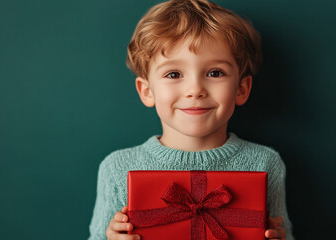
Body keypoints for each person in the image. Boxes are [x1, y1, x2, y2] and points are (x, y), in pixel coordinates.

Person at [88, 0, 294, 239]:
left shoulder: (266, 163)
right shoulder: (117, 169)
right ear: (147, 91)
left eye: (215, 73)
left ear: (241, 89)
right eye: (174, 74)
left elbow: (285, 233)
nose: (195, 89)